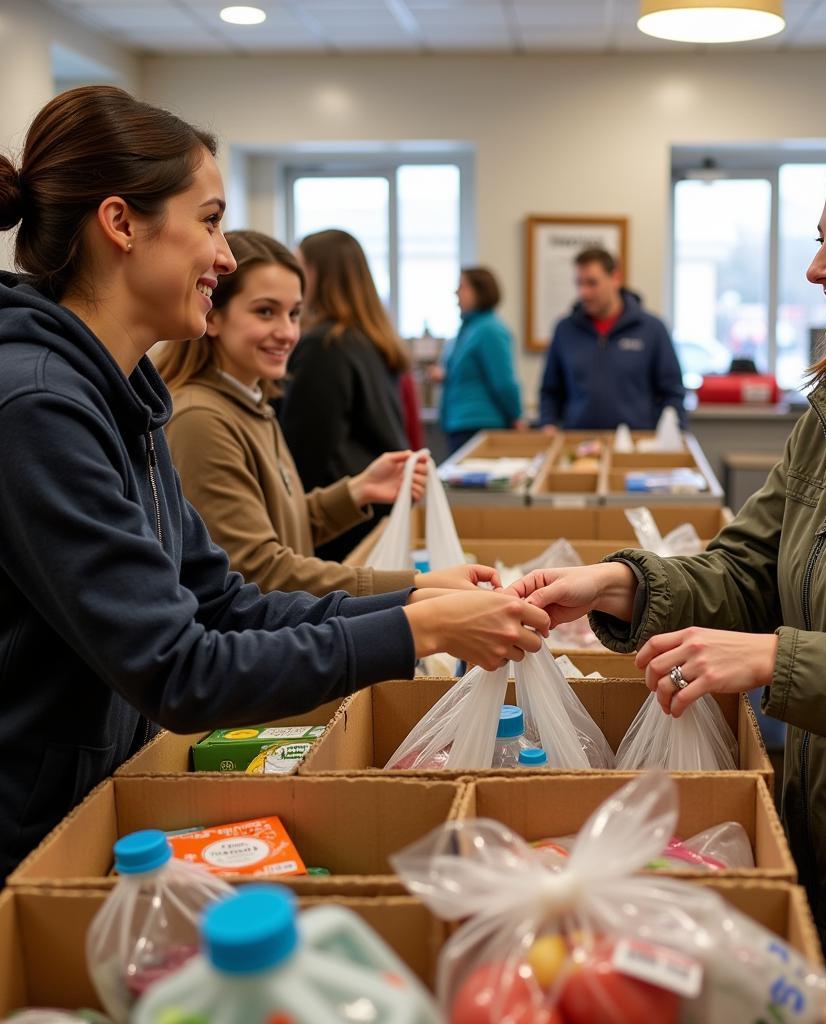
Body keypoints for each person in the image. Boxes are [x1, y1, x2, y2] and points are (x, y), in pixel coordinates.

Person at [510, 135, 826, 1016]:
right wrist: (615, 584)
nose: (820, 267)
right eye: (821, 240)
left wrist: (772, 660)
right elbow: (749, 567)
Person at [0, 86, 548, 884]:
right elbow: (179, 669)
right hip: (26, 831)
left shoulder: (119, 399)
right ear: (120, 223)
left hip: (86, 806)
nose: (224, 256)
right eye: (212, 220)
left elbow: (224, 601)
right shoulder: (39, 404)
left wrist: (415, 603)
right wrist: (421, 633)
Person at [156, 229, 500, 597]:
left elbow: (283, 523)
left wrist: (357, 490)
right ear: (215, 316)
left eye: (295, 313)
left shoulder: (252, 405)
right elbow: (258, 569)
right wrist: (414, 585)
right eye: (266, 312)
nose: (288, 332)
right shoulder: (201, 419)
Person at [279, 229, 410, 561]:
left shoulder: (324, 345)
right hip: (371, 510)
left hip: (340, 522)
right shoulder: (371, 340)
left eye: (299, 267)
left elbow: (306, 452)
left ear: (320, 275)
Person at [538, 247, 685, 432]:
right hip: (578, 445)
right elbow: (551, 390)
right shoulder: (565, 330)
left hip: (635, 445)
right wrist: (547, 424)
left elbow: (672, 392)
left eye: (592, 283)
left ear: (615, 278)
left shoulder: (652, 329)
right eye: (579, 283)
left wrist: (673, 434)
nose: (584, 292)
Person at [435, 266, 524, 456]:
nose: (456, 292)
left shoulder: (490, 330)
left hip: (482, 425)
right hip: (460, 423)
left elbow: (504, 382)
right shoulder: (467, 329)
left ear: (480, 291)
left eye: (462, 286)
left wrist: (516, 416)